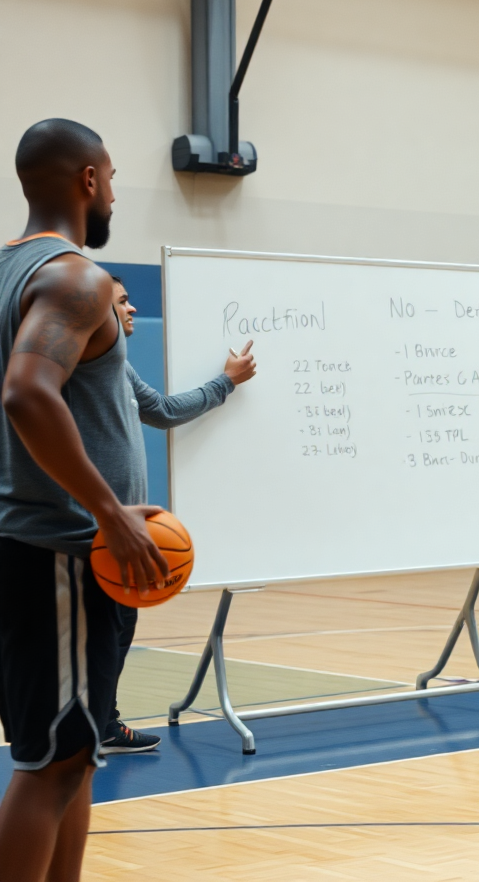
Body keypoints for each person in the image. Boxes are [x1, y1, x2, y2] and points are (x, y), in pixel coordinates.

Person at [0, 119, 167, 881]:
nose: (115, 198)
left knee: (77, 755)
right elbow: (26, 393)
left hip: (46, 551)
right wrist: (109, 512)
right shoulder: (76, 278)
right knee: (50, 766)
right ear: (89, 179)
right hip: (60, 554)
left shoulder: (9, 272)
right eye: (114, 179)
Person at [98, 277, 255, 755]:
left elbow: (164, 411)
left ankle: (103, 723)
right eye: (122, 302)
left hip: (127, 531)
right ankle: (75, 731)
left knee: (119, 630)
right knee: (94, 637)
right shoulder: (73, 370)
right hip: (92, 529)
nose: (132, 309)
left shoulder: (120, 368)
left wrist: (225, 382)